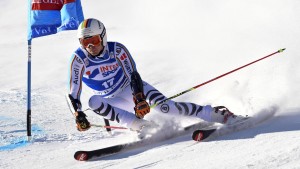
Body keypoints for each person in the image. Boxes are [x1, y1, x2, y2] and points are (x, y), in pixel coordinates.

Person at [66, 18, 245, 132]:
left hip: (131, 90)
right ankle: (141, 126)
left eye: (94, 40)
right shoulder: (79, 60)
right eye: (85, 42)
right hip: (113, 101)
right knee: (93, 102)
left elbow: (133, 75)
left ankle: (214, 114)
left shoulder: (117, 50)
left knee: (167, 108)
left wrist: (139, 99)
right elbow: (73, 92)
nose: (90, 46)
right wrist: (78, 115)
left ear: (103, 37)